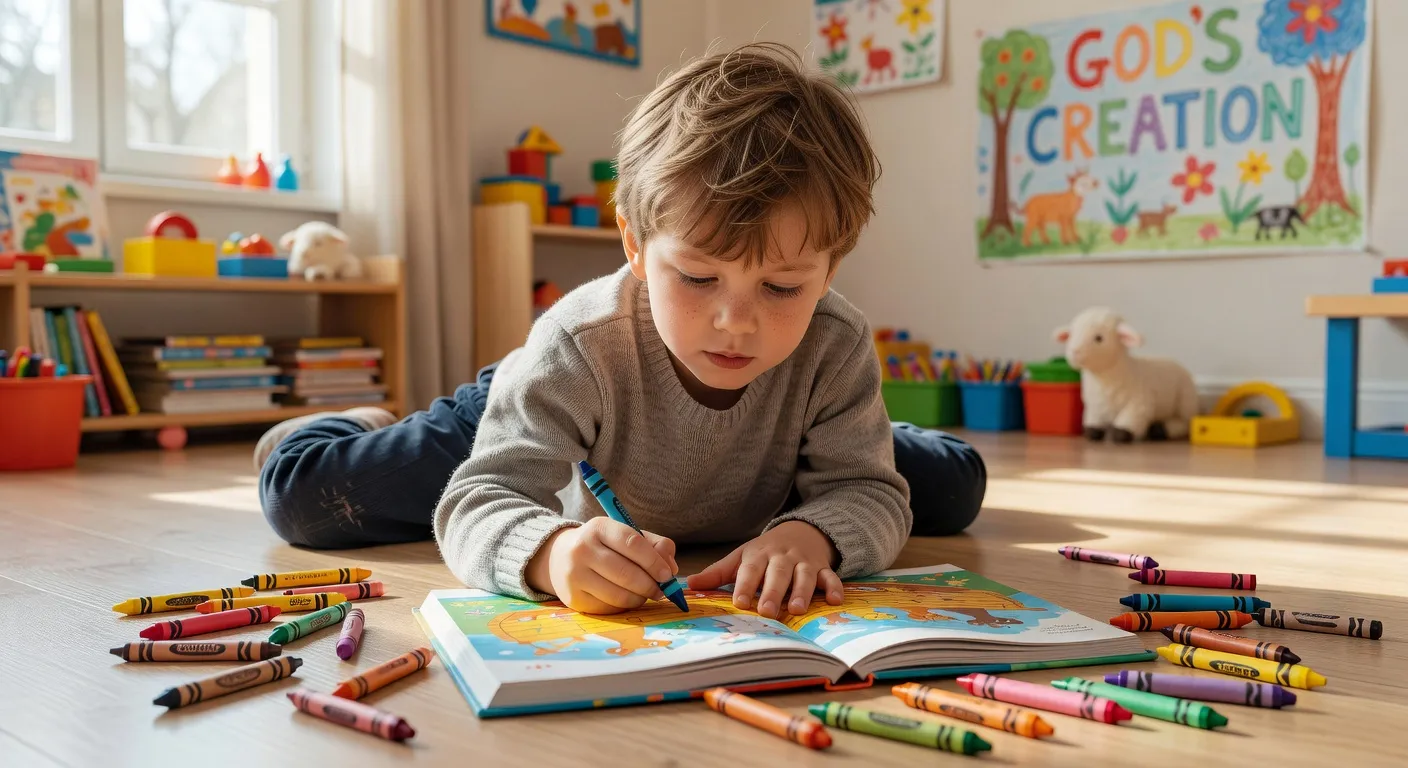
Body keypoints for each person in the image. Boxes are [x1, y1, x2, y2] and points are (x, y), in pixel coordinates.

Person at [256, 43, 985, 621]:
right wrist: (551, 553)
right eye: (698, 278)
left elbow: (869, 493)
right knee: (303, 504)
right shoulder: (576, 343)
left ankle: (827, 450)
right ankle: (344, 423)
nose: (736, 321)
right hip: (566, 406)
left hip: (772, 441)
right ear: (635, 247)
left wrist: (814, 533)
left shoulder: (833, 340)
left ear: (830, 270)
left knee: (951, 491)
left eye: (783, 286)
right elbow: (480, 501)